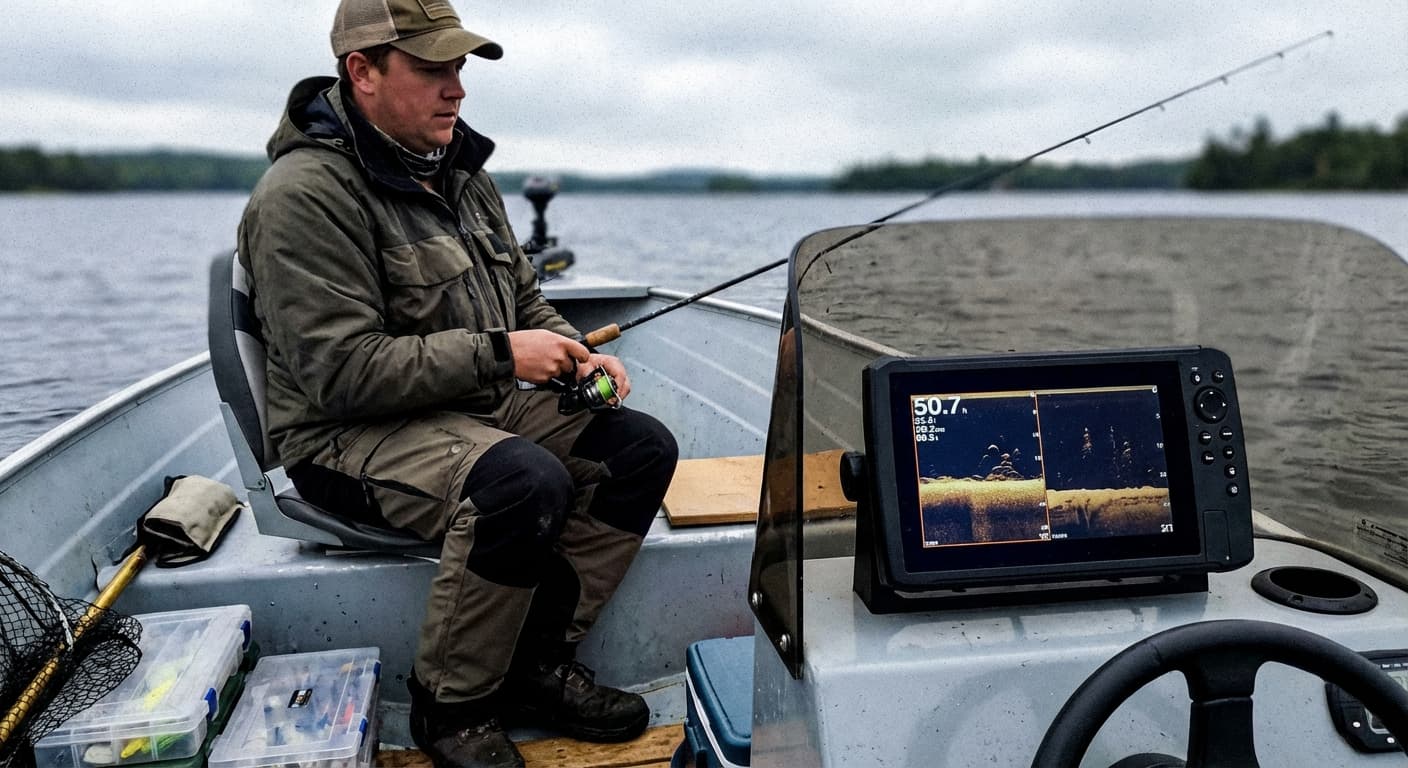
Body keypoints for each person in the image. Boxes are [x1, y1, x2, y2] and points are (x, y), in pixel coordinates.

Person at [236, 2, 679, 766]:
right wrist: (504, 355)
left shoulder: (464, 177)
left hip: (466, 409)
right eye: (433, 69)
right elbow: (338, 374)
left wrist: (575, 352)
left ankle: (537, 667)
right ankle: (453, 709)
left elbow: (525, 300)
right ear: (363, 72)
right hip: (342, 435)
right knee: (520, 483)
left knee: (636, 449)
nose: (458, 89)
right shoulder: (302, 197)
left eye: (460, 68)